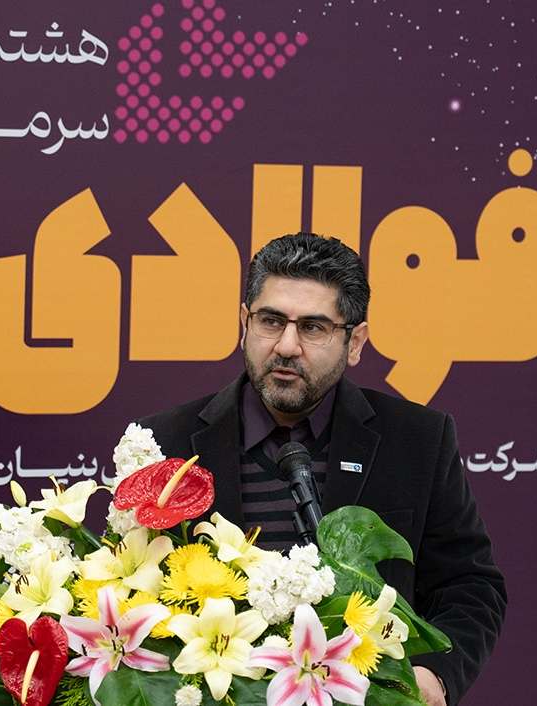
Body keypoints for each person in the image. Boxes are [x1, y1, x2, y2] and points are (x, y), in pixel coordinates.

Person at [137, 233, 506, 705]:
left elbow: (469, 586)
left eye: (313, 328)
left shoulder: (417, 441)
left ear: (355, 342)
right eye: (271, 321)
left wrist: (436, 675)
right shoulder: (165, 443)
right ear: (244, 324)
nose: (286, 346)